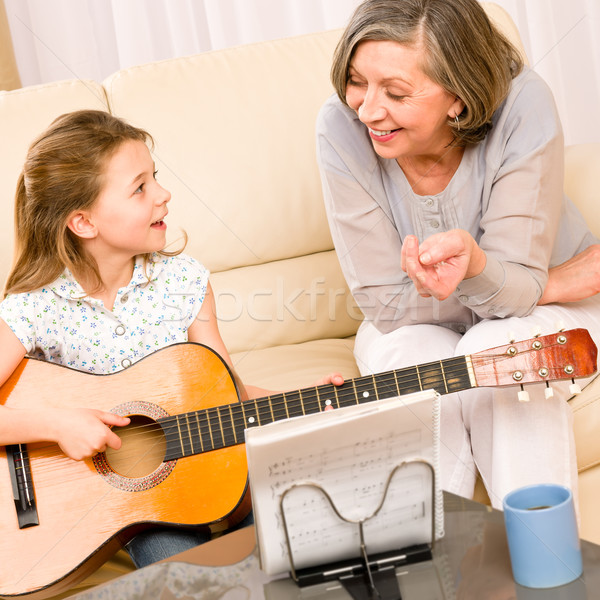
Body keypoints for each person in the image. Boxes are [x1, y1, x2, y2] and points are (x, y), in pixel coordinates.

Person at [0, 109, 343, 568]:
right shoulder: (33, 308)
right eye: (140, 187)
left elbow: (229, 395)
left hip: (218, 474)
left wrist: (302, 402)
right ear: (83, 223)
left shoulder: (185, 282)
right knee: (182, 580)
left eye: (155, 177)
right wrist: (57, 425)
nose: (163, 194)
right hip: (141, 511)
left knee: (299, 535)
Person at [316, 0, 600, 513]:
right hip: (440, 319)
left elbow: (516, 293)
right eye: (357, 81)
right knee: (411, 360)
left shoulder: (522, 103)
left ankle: (546, 573)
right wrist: (538, 281)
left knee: (505, 353)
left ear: (459, 99)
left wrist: (506, 281)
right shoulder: (339, 127)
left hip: (540, 319)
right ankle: (430, 573)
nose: (367, 110)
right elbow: (385, 306)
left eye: (396, 92)